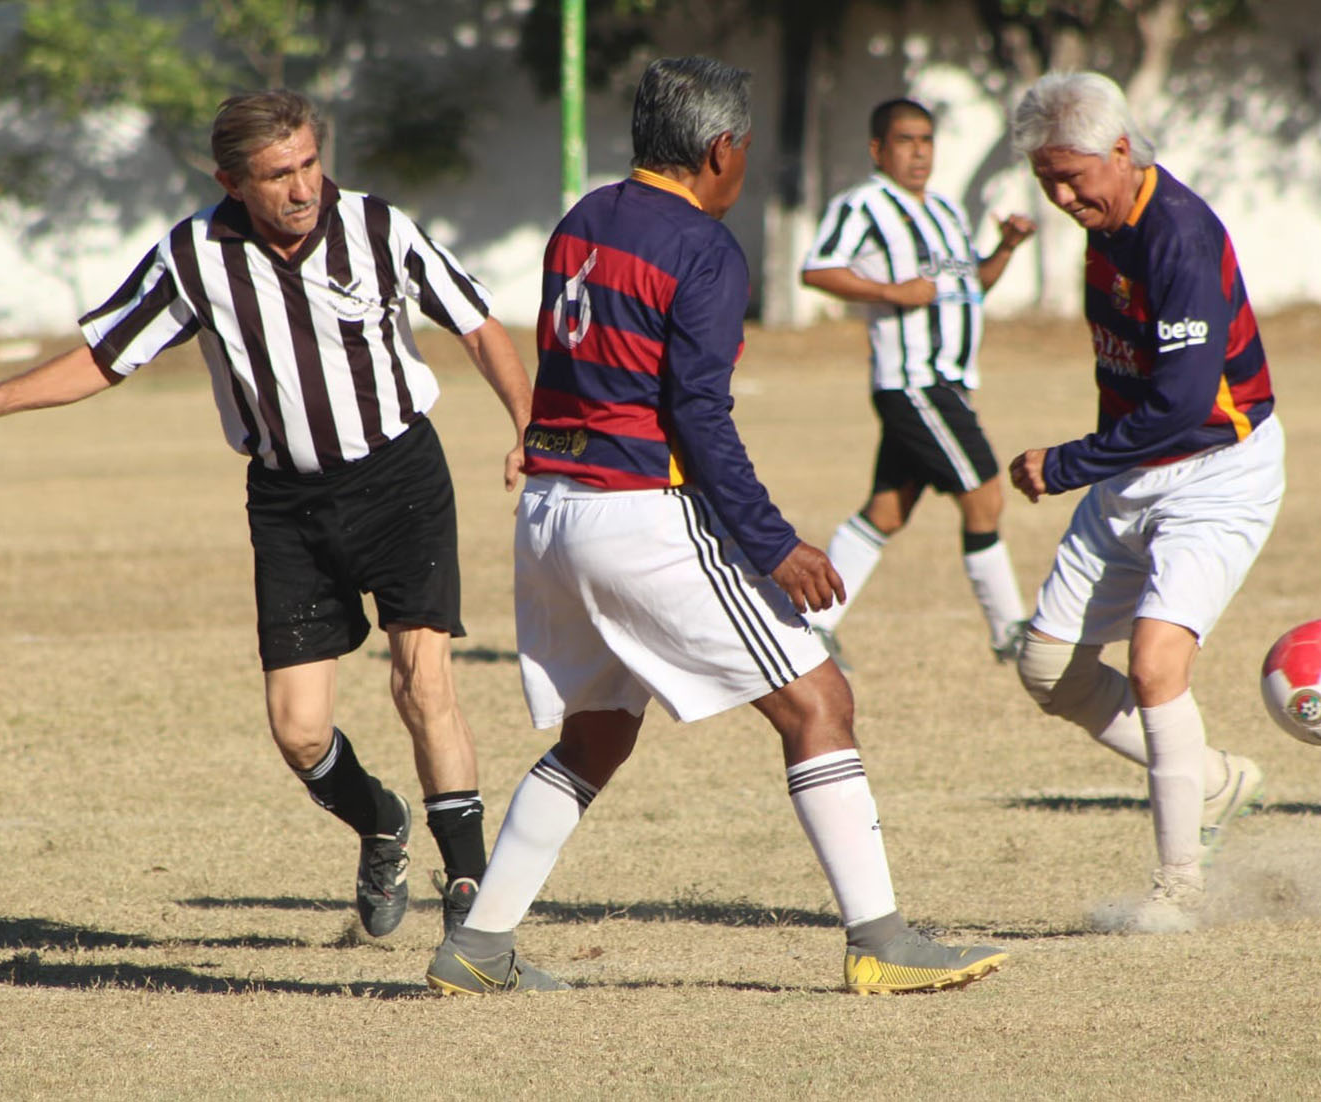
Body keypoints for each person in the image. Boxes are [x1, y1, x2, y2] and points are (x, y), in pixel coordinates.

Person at [423, 56, 1005, 996]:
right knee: (821, 703)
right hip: (634, 513)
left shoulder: (582, 220)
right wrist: (773, 544)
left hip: (550, 515)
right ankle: (881, 939)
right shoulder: (702, 248)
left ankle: (478, 944)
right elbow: (698, 415)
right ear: (721, 149)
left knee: (597, 737)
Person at [0, 90, 532, 939]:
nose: (302, 186)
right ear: (231, 182)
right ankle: (380, 823)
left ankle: (473, 905)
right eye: (278, 174)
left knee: (422, 683)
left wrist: (526, 424)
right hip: (288, 501)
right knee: (297, 730)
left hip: (400, 478)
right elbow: (108, 356)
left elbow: (476, 325)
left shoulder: (379, 228)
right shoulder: (193, 256)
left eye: (310, 163)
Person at [1006, 72, 1281, 932]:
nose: (1060, 196)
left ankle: (1178, 891)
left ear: (1121, 152)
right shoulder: (1107, 227)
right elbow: (1123, 376)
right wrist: (1101, 465)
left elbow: (1183, 406)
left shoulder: (1177, 237)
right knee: (1048, 668)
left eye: (1072, 177)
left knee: (1159, 665)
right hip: (1134, 471)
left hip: (1213, 471)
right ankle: (1211, 778)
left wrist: (1068, 464)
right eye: (1047, 180)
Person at [798, 98, 1036, 670]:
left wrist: (1004, 248)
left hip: (949, 384)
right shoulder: (864, 205)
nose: (919, 151)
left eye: (926, 139)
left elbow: (971, 283)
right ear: (879, 149)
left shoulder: (948, 211)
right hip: (913, 381)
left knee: (886, 511)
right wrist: (889, 292)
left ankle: (810, 627)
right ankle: (1010, 632)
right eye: (905, 140)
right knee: (985, 496)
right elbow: (816, 268)